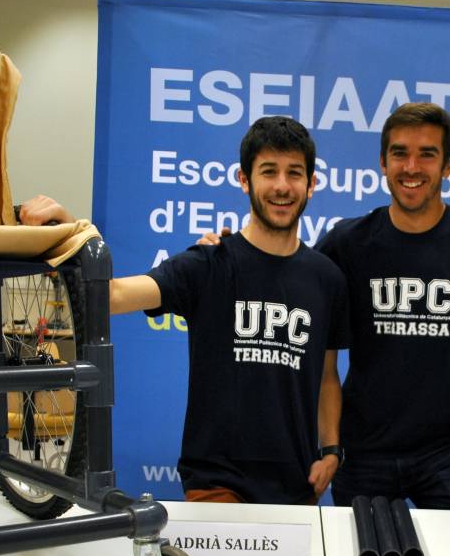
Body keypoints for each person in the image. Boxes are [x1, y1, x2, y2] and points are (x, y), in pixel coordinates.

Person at [21, 116, 348, 504]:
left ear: (311, 184)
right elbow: (112, 296)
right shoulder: (208, 263)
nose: (281, 186)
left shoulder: (326, 278)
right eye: (268, 172)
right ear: (245, 180)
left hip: (297, 484)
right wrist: (66, 229)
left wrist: (330, 451)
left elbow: (328, 375)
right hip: (217, 481)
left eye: (294, 173)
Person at [317, 102, 450, 510]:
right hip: (363, 452)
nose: (411, 167)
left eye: (426, 154)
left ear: (449, 165)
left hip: (446, 455)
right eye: (399, 153)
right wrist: (225, 252)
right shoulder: (347, 241)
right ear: (382, 162)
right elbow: (286, 279)